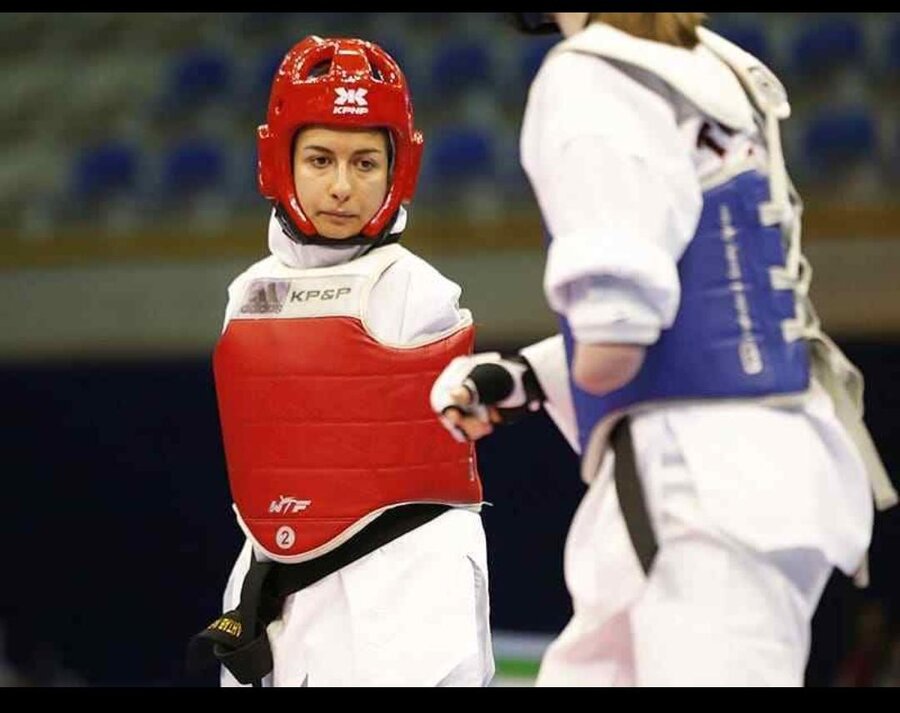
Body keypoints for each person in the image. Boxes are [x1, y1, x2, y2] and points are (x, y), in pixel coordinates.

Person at [430, 13, 896, 686]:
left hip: (703, 495)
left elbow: (618, 335)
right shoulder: (715, 64)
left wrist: (583, 363)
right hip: (740, 471)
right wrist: (530, 375)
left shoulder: (592, 72)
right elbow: (709, 296)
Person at [191, 35, 493, 687]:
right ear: (279, 162)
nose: (340, 186)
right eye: (320, 158)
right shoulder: (247, 295)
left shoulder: (420, 293)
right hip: (273, 574)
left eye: (364, 163)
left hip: (405, 583)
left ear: (397, 171)